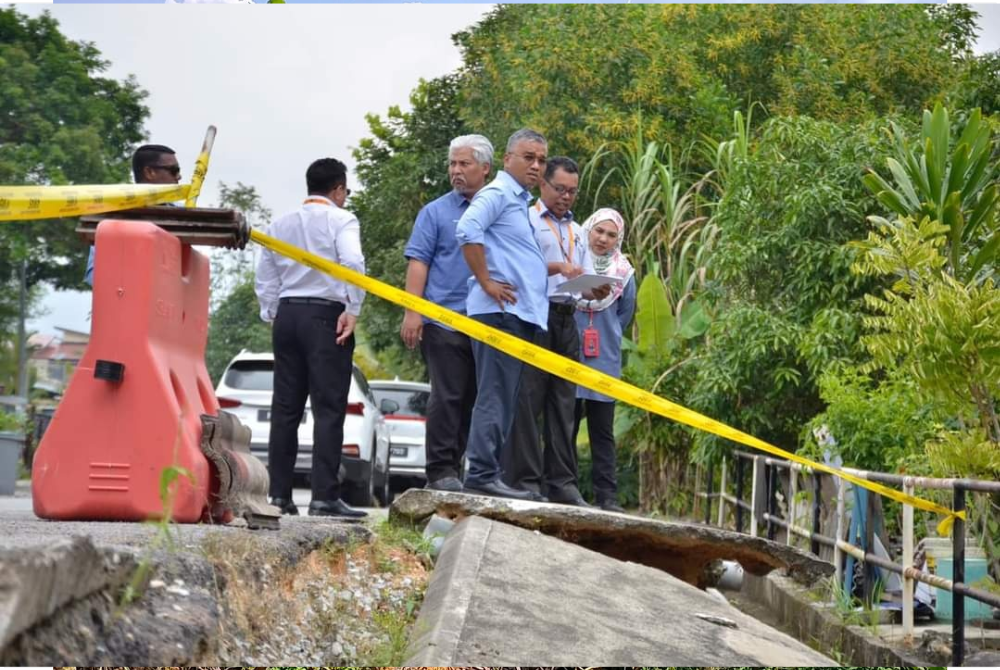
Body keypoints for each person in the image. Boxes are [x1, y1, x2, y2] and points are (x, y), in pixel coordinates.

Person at [255, 158, 367, 518]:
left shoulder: (280, 223)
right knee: (328, 407)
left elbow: (266, 272)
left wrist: (271, 311)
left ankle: (279, 496)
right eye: (345, 191)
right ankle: (323, 497)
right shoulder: (341, 219)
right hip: (325, 315)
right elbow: (352, 261)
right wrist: (353, 307)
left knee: (285, 409)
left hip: (288, 314)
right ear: (337, 189)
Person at [503, 156, 609, 505]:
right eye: (560, 189)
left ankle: (562, 482)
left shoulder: (577, 231)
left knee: (565, 405)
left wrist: (592, 288)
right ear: (543, 185)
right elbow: (518, 268)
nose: (566, 197)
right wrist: (557, 266)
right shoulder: (527, 221)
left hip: (567, 317)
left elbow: (576, 279)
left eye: (573, 192)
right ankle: (526, 480)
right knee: (528, 400)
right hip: (534, 316)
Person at [455, 128, 550, 500]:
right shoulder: (498, 193)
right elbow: (467, 229)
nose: (536, 166)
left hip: (518, 315)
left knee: (505, 397)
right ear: (507, 159)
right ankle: (480, 474)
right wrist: (486, 281)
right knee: (495, 395)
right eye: (529, 157)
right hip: (499, 313)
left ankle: (489, 472)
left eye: (541, 159)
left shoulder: (521, 202)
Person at [400, 134, 493, 492]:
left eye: (463, 163)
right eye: (452, 164)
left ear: (485, 168)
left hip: (487, 322)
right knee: (448, 395)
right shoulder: (435, 212)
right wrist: (414, 312)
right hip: (443, 319)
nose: (455, 170)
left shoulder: (499, 209)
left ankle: (461, 469)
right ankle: (440, 471)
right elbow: (419, 262)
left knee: (474, 399)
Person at [572, 208, 636, 513]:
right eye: (599, 231)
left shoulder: (624, 272)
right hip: (568, 353)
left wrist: (602, 331)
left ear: (618, 239)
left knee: (602, 430)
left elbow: (624, 316)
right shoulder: (572, 262)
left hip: (604, 358)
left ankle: (607, 497)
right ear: (589, 229)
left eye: (611, 235)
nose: (603, 239)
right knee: (564, 424)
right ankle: (560, 486)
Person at [84, 144, 181, 285]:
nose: (179, 177)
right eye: (173, 170)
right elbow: (95, 275)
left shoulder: (180, 215)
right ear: (149, 172)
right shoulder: (115, 216)